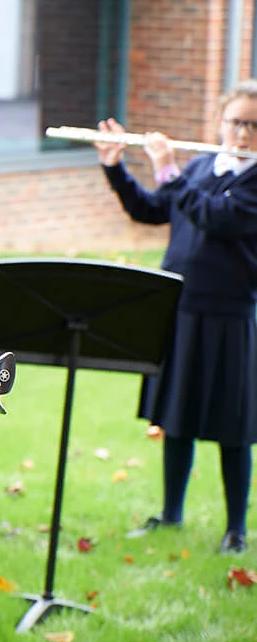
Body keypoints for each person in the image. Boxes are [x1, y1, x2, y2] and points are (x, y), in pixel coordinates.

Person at [95, 82, 257, 555]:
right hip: (182, 309)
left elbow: (216, 218)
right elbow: (151, 209)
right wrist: (116, 167)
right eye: (236, 122)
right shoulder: (204, 166)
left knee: (234, 426)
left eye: (253, 125)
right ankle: (171, 514)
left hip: (230, 316)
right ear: (220, 123)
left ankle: (235, 529)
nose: (243, 134)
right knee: (177, 417)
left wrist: (168, 169)